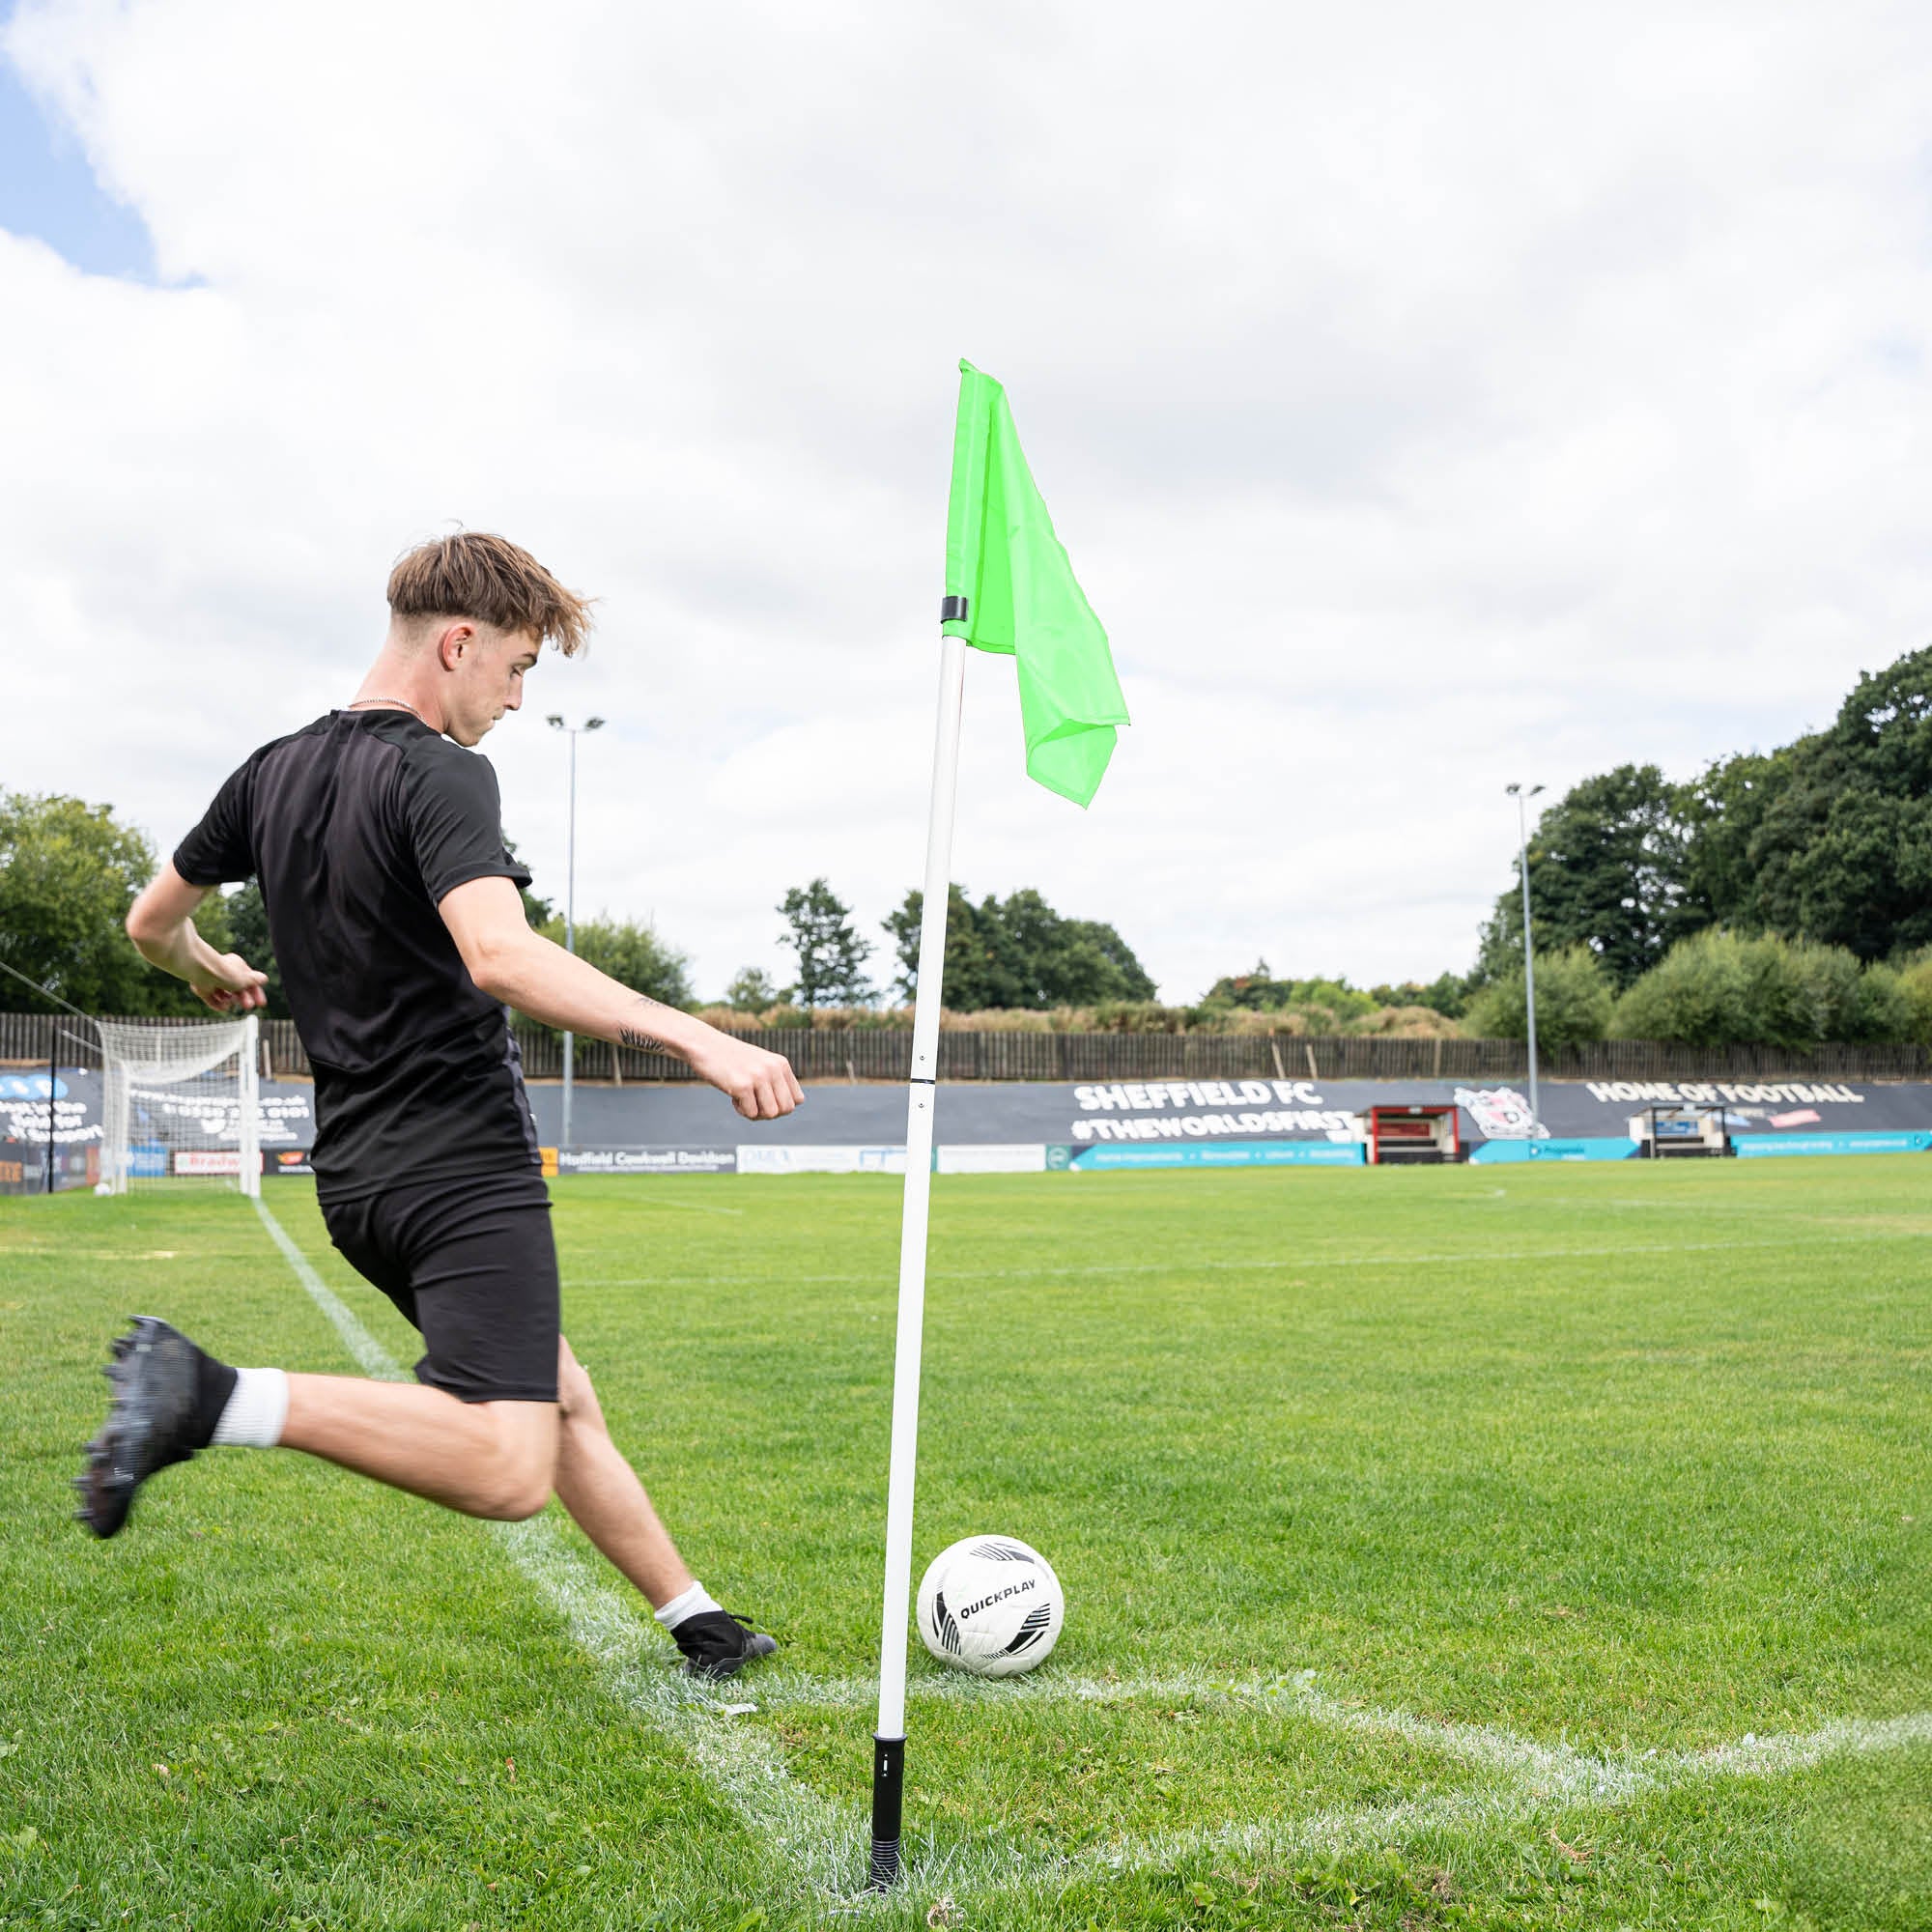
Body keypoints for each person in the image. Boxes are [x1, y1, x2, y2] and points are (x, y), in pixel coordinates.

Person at [77, 532, 804, 1681]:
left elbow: (148, 923)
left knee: (559, 1392)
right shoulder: (442, 769)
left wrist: (205, 965)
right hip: (460, 1161)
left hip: (356, 1180)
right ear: (456, 641)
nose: (518, 697)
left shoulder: (270, 770)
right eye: (516, 667)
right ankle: (217, 1396)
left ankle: (695, 1621)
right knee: (507, 1464)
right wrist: (697, 1036)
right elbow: (499, 954)